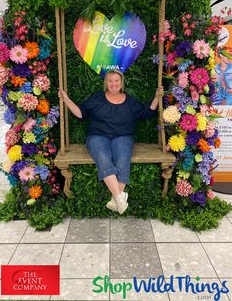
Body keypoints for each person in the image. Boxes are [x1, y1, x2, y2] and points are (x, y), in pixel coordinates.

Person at [58, 69, 163, 214]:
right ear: (106, 83)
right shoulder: (97, 98)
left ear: (121, 83)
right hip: (97, 136)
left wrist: (157, 97)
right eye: (110, 81)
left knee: (122, 158)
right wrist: (66, 100)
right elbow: (80, 114)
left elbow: (147, 113)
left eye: (116, 81)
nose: (114, 84)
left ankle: (117, 200)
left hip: (123, 136)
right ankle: (120, 197)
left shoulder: (130, 101)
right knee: (103, 157)